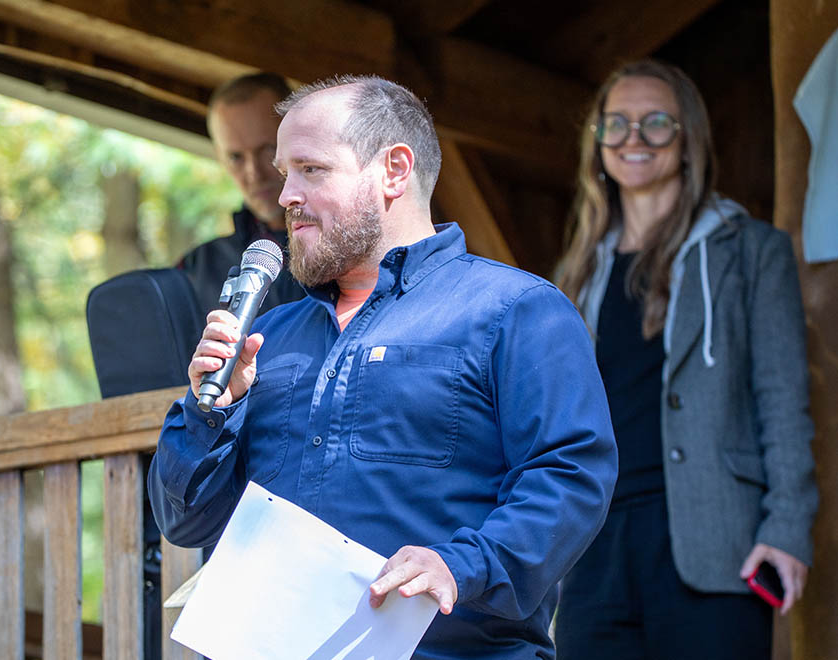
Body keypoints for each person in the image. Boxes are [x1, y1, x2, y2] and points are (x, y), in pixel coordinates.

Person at [149, 75, 618, 658]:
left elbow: (571, 473)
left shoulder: (515, 310)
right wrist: (209, 413)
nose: (285, 193)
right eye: (284, 171)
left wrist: (461, 564)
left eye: (311, 170)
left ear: (394, 169)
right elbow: (182, 524)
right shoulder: (265, 339)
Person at [553, 60, 817, 660]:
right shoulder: (576, 270)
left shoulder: (751, 249)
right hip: (595, 552)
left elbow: (782, 400)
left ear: (688, 136)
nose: (634, 139)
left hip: (713, 540)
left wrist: (787, 529)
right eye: (615, 124)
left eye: (656, 123)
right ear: (597, 144)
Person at [178, 72, 305, 313]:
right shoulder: (195, 270)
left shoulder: (345, 251)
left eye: (268, 150)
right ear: (219, 157)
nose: (254, 173)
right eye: (236, 157)